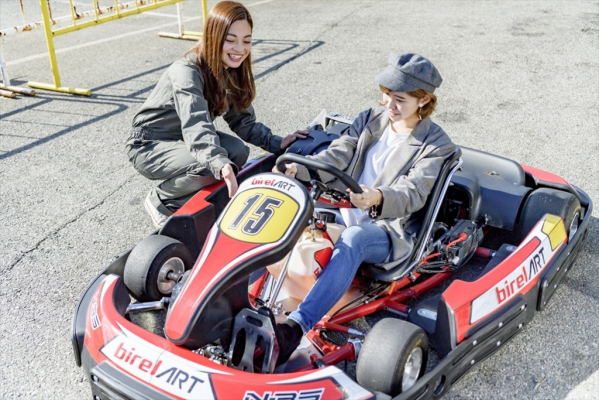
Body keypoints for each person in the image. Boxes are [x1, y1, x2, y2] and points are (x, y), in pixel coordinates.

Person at [273, 52, 457, 365]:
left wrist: (378, 197)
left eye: (400, 99)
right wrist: (298, 169)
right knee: (287, 210)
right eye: (387, 94)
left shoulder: (436, 145)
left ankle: (296, 327)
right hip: (342, 208)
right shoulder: (370, 119)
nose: (389, 105)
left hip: (389, 229)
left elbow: (413, 193)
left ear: (424, 100)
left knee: (354, 238)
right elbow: (336, 156)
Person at [126, 1, 307, 228]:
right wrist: (218, 163)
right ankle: (162, 200)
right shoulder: (186, 71)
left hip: (183, 139)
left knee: (237, 152)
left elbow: (242, 120)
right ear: (213, 36)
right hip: (149, 145)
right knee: (213, 163)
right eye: (230, 40)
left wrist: (276, 142)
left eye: (246, 41)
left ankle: (196, 198)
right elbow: (196, 124)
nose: (240, 49)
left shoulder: (229, 69)